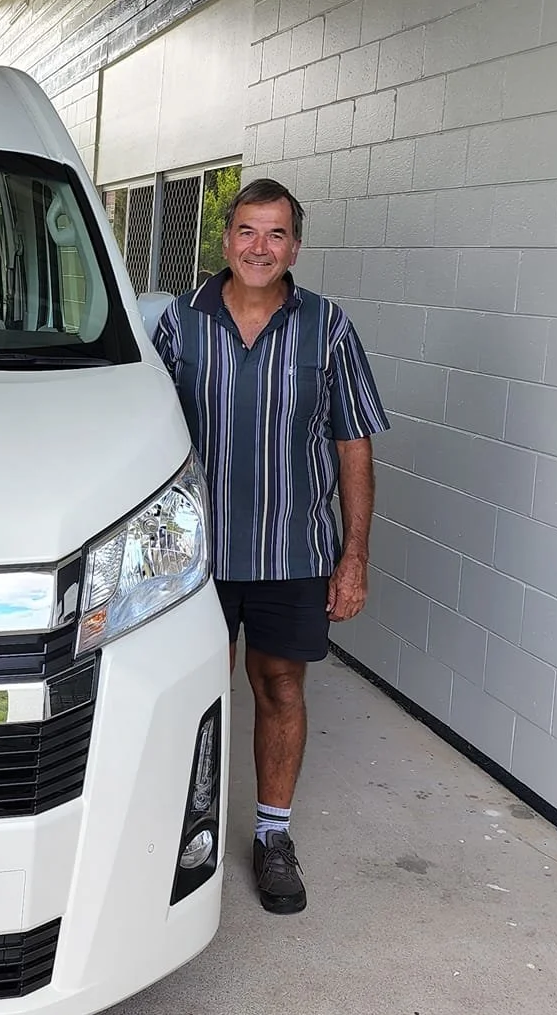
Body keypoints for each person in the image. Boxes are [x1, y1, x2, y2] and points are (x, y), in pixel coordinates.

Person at [152, 178, 389, 914]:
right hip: (194, 559)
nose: (261, 247)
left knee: (280, 685)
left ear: (295, 246)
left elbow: (354, 445)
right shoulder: (176, 326)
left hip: (294, 550)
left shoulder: (328, 328)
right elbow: (136, 435)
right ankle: (184, 835)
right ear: (224, 240)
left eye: (277, 234)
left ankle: (272, 837)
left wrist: (354, 556)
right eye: (248, 231)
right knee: (197, 694)